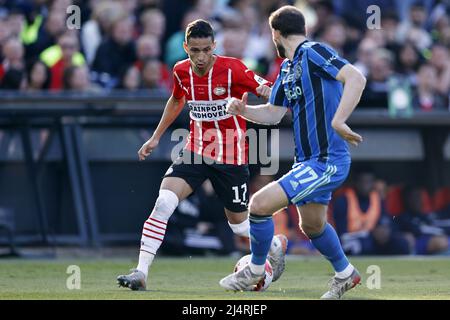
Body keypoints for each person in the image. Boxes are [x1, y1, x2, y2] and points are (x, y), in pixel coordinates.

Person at [117, 19, 287, 291]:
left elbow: (267, 89)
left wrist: (268, 90)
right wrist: (156, 136)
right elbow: (176, 100)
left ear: (214, 46)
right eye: (194, 50)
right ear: (185, 47)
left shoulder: (234, 69)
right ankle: (141, 272)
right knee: (163, 203)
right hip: (196, 150)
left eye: (206, 49)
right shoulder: (180, 71)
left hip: (232, 156)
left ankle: (275, 244)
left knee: (239, 227)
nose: (200, 56)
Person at [219, 5, 367, 299]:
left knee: (259, 205)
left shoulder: (313, 52)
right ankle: (346, 274)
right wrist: (242, 109)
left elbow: (356, 78)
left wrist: (339, 120)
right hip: (308, 161)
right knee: (312, 225)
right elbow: (273, 114)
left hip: (327, 161)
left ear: (275, 33)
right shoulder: (287, 69)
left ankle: (256, 270)